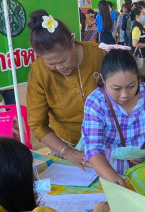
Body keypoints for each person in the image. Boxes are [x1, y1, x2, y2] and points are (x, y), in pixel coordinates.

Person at [26, 10, 106, 170]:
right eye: (51, 64)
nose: (59, 67)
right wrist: (67, 151)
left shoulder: (99, 55)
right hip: (66, 143)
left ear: (72, 40)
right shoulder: (39, 71)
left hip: (107, 141)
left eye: (62, 60)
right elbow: (37, 124)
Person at [82, 50, 145, 187]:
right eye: (116, 88)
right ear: (103, 79)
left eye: (131, 86)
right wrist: (113, 178)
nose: (124, 95)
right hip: (108, 171)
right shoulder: (96, 102)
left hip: (141, 172)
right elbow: (94, 149)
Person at [131, 7, 145, 83]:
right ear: (137, 16)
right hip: (140, 57)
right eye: (143, 14)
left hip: (144, 57)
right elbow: (134, 44)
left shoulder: (141, 27)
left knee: (144, 77)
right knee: (142, 79)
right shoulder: (137, 28)